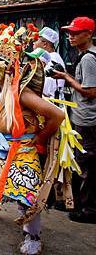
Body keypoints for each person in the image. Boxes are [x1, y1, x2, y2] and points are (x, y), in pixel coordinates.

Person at [0, 25, 64, 255]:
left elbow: (57, 115)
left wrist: (39, 139)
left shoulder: (23, 92)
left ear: (10, 67)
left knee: (24, 193)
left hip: (22, 144)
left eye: (0, 63)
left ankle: (33, 236)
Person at [53, 16, 96, 224]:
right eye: (69, 32)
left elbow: (90, 91)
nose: (71, 36)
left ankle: (89, 209)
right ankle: (76, 201)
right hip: (82, 117)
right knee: (80, 162)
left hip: (88, 120)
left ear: (88, 34)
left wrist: (66, 77)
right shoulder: (84, 55)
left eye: (76, 33)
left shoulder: (89, 58)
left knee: (86, 164)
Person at [34, 26, 66, 100]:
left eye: (36, 40)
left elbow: (47, 89)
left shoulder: (51, 59)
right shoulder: (52, 56)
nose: (33, 42)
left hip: (51, 103)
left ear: (45, 44)